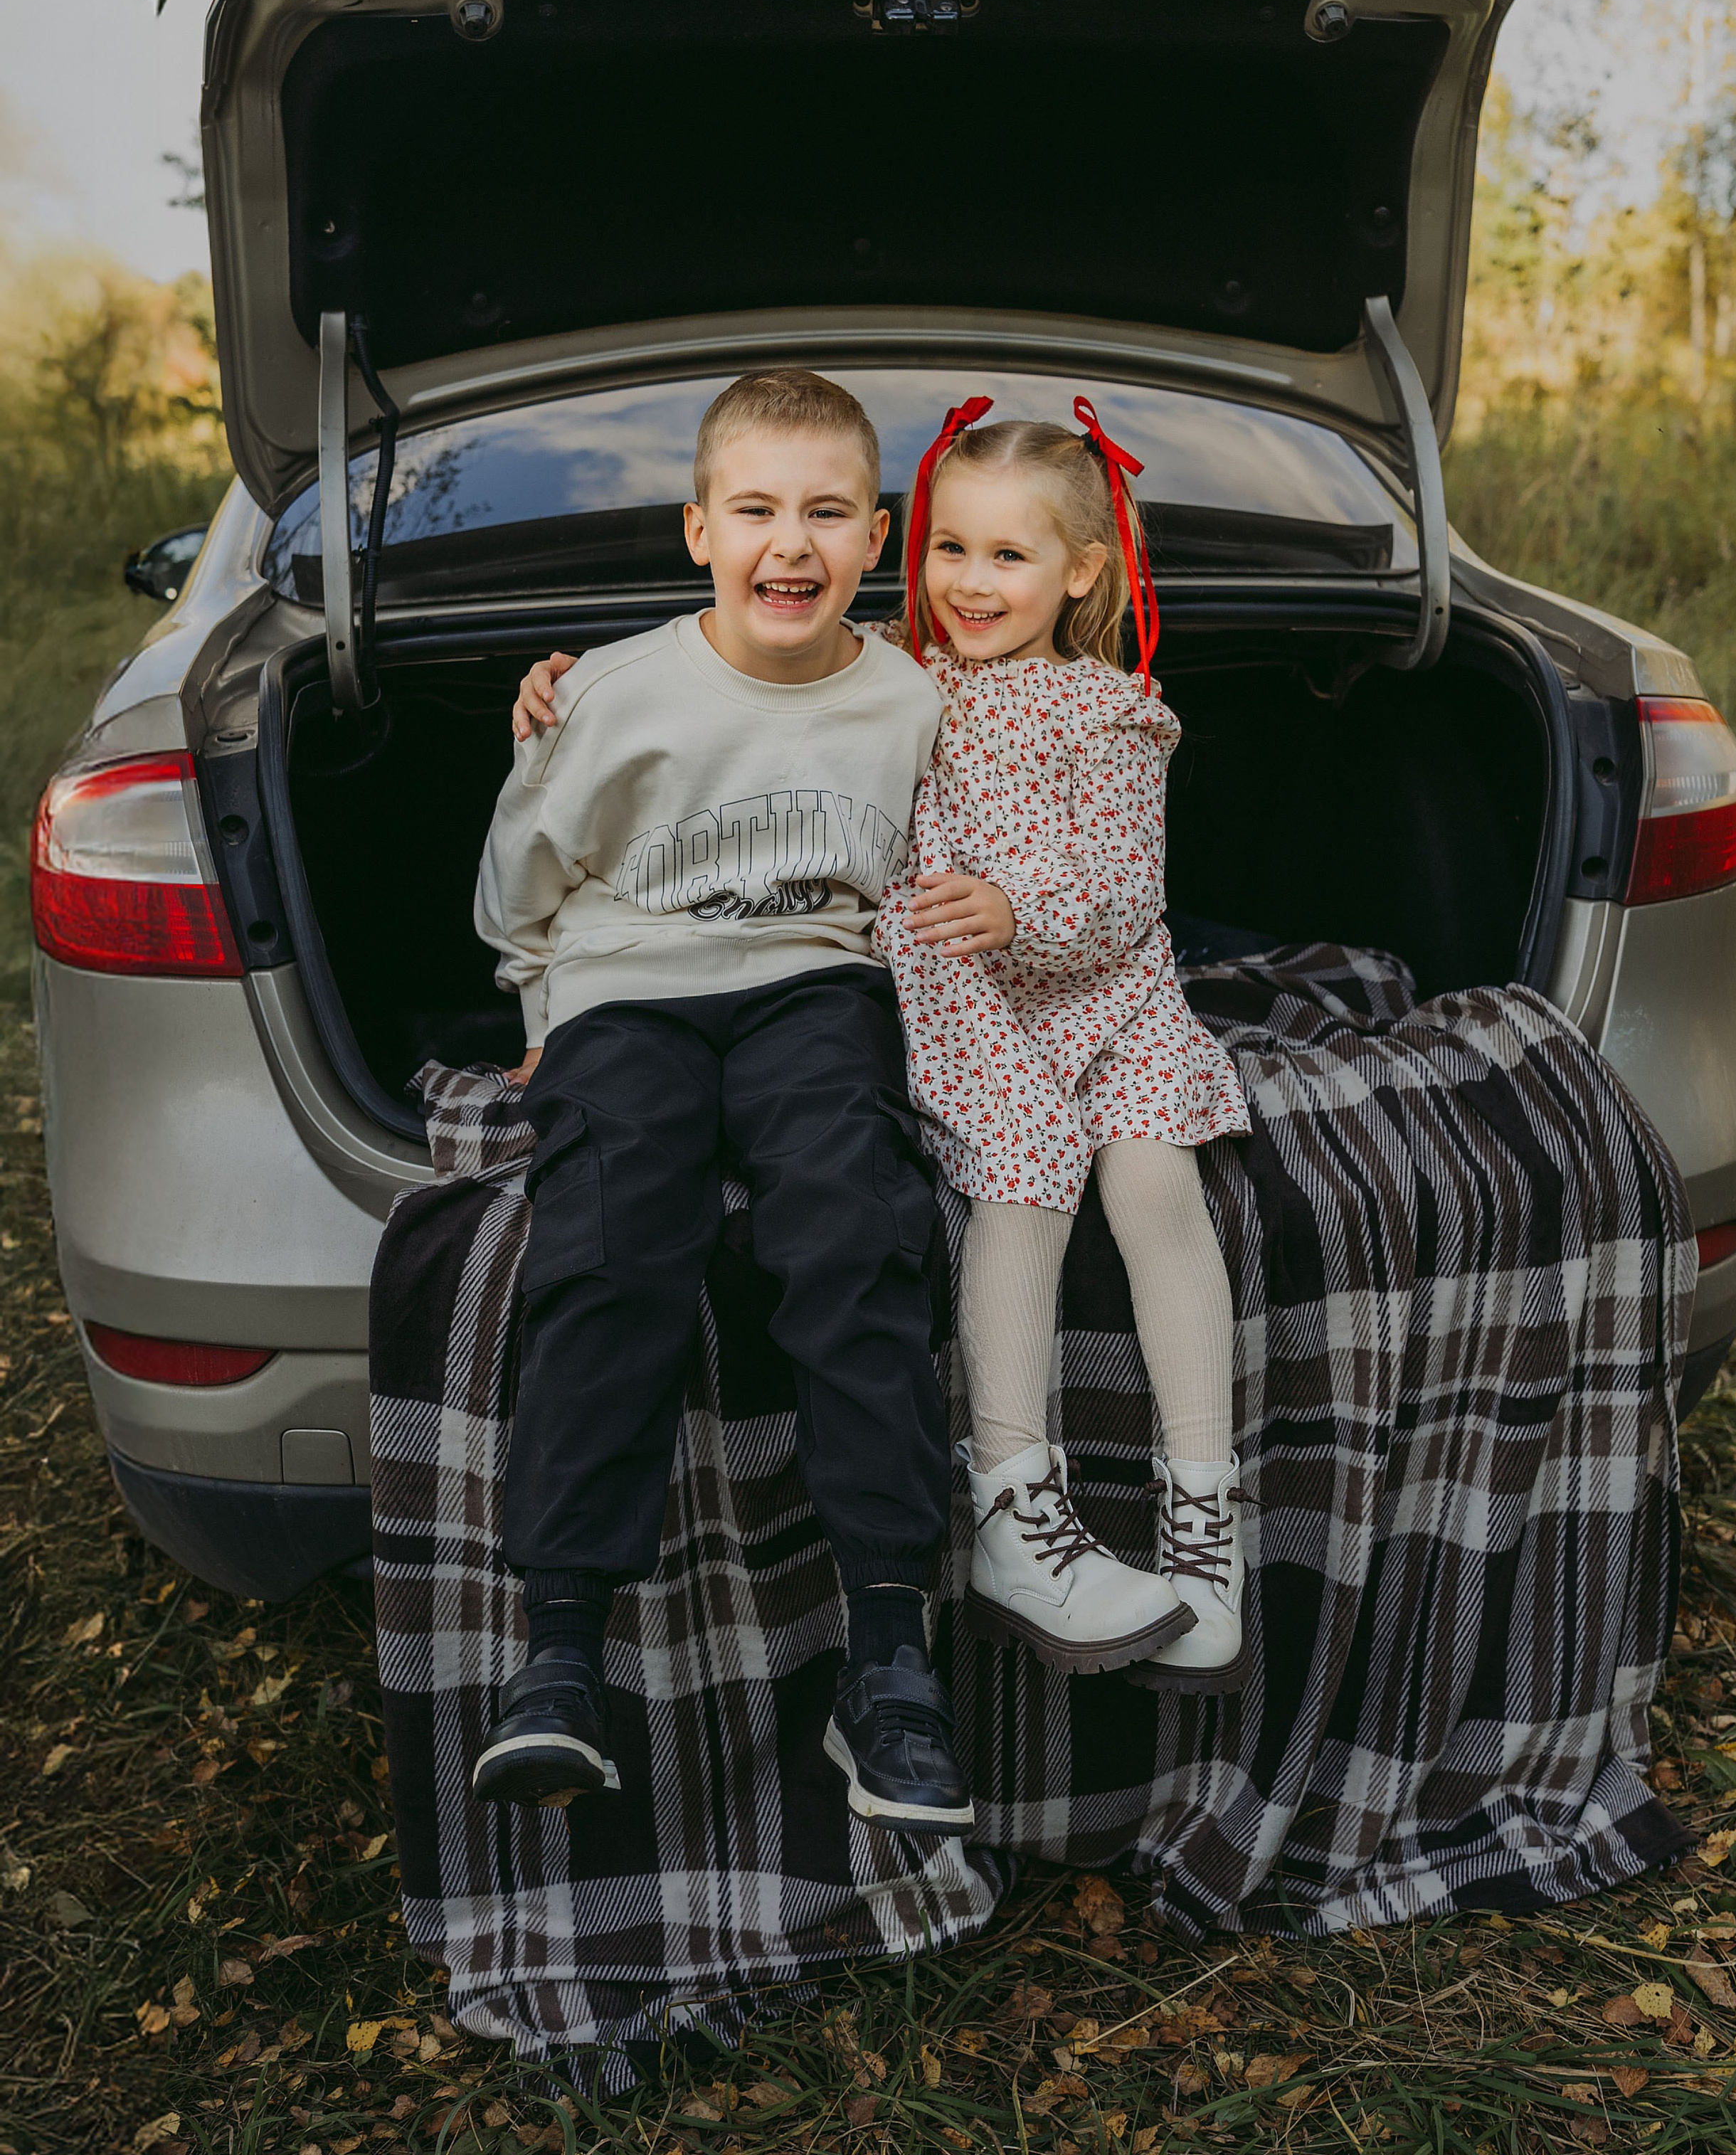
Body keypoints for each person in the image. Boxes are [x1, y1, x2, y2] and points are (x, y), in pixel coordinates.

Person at [514, 393, 1254, 1696]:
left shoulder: (1111, 712)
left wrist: (1026, 913)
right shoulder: (898, 673)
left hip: (1108, 986)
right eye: (951, 551)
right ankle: (1014, 1491)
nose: (971, 582)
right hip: (968, 1001)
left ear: (1083, 571)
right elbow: (737, 675)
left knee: (1155, 1182)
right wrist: (561, 689)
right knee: (1024, 1181)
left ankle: (1207, 1517)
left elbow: (1130, 890)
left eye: (1010, 556)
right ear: (907, 552)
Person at [470, 366, 972, 1833]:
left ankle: (887, 1659)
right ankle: (558, 1654)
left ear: (874, 540)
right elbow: (524, 874)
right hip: (627, 984)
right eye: (754, 511)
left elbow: (1043, 732)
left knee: (852, 1225)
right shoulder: (615, 691)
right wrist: (539, 1012)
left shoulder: (912, 695)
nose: (789, 545)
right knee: (616, 1236)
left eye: (825, 514)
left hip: (816, 982)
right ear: (697, 530)